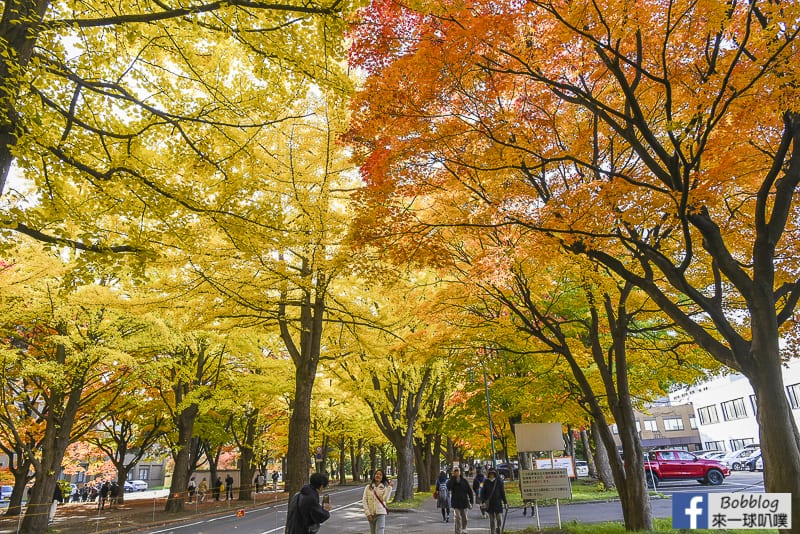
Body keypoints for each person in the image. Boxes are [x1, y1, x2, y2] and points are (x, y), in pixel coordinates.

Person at [362, 469, 394, 534]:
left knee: (379, 532)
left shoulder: (384, 488)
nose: (378, 475)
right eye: (377, 474)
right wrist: (368, 514)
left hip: (380, 514)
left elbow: (385, 499)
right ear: (374, 476)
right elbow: (364, 501)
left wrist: (390, 487)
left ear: (382, 477)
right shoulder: (368, 487)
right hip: (371, 514)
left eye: (380, 474)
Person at [480, 468, 508, 534]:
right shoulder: (486, 482)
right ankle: (492, 531)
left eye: (493, 474)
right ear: (488, 474)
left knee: (499, 519)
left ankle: (499, 528)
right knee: (492, 520)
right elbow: (482, 493)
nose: (491, 475)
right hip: (490, 504)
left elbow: (502, 492)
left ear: (495, 474)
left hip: (498, 503)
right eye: (490, 474)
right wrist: (483, 501)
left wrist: (505, 502)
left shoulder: (499, 481)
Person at [446, 467, 473, 534]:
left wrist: (471, 501)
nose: (456, 472)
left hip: (464, 502)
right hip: (456, 502)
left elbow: (470, 491)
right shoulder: (452, 480)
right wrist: (453, 478)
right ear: (453, 472)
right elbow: (448, 487)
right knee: (457, 517)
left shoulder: (464, 481)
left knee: (464, 518)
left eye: (457, 471)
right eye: (455, 471)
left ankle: (464, 529)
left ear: (460, 472)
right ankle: (457, 531)